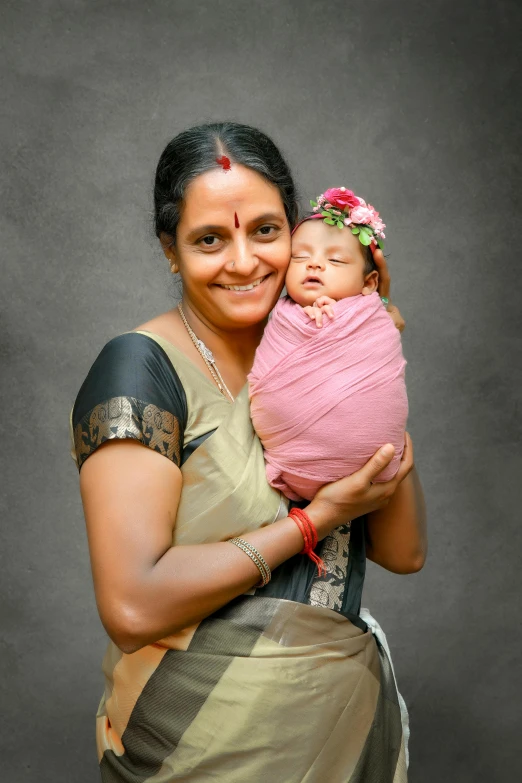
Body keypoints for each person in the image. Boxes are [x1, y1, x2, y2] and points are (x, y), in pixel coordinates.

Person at [70, 122, 426, 782]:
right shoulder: (140, 370)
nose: (243, 261)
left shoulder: (317, 353)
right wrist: (313, 521)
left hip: (344, 728)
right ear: (169, 251)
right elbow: (132, 606)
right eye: (210, 239)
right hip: (198, 746)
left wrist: (372, 358)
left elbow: (404, 552)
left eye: (265, 230)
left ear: (298, 232)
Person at [248, 186, 408, 501]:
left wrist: (370, 313)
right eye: (300, 256)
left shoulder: (370, 315)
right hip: (292, 465)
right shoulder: (282, 316)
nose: (314, 265)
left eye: (334, 259)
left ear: (369, 283)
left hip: (373, 469)